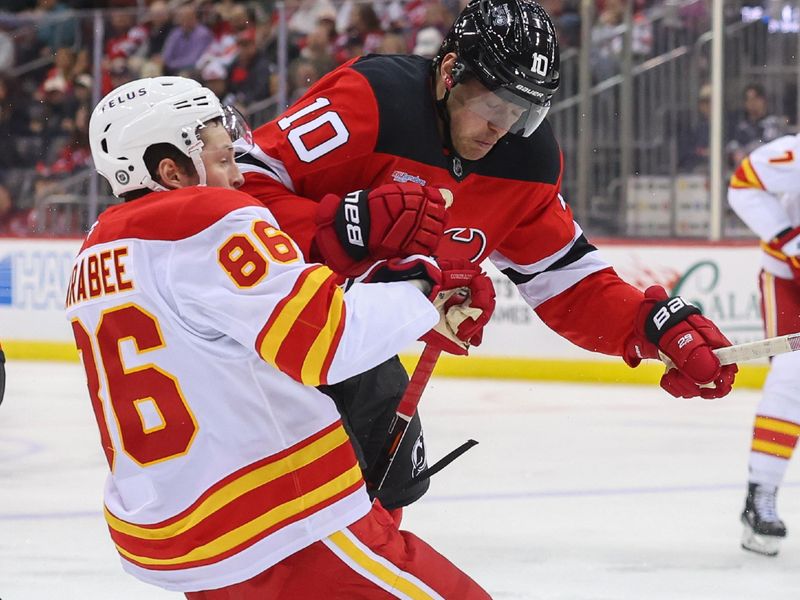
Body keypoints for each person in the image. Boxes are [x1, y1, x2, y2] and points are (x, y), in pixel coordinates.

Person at [237, 0, 740, 512]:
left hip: (348, 343)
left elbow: (567, 281)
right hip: (252, 334)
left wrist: (647, 324)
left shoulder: (526, 161)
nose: (504, 127)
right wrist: (340, 229)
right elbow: (238, 189)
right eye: (495, 104)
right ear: (452, 71)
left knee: (387, 496)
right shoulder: (372, 101)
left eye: (524, 111)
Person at [67, 75, 495, 598]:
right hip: (283, 524)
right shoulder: (206, 217)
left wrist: (389, 286)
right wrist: (425, 290)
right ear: (170, 169)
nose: (241, 178)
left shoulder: (93, 254)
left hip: (183, 541)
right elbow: (327, 345)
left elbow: (245, 333)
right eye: (224, 160)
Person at [728, 133, 800, 556]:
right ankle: (761, 496)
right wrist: (790, 239)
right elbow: (744, 182)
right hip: (789, 280)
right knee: (793, 374)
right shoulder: (796, 152)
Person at [727, 83, 787, 168]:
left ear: (764, 100)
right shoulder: (740, 126)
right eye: (748, 99)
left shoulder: (774, 123)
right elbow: (733, 146)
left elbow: (775, 149)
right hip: (745, 171)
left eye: (756, 98)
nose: (752, 103)